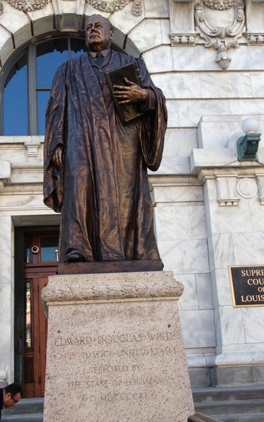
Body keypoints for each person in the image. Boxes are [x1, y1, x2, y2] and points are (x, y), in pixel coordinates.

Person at [44, 14, 167, 263]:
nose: (93, 30)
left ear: (111, 34)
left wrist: (143, 95)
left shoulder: (131, 64)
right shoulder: (68, 69)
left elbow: (157, 98)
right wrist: (57, 140)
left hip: (123, 141)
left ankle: (132, 251)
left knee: (125, 195)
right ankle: (78, 248)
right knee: (78, 187)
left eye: (98, 26)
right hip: (82, 139)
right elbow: (56, 108)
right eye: (89, 27)